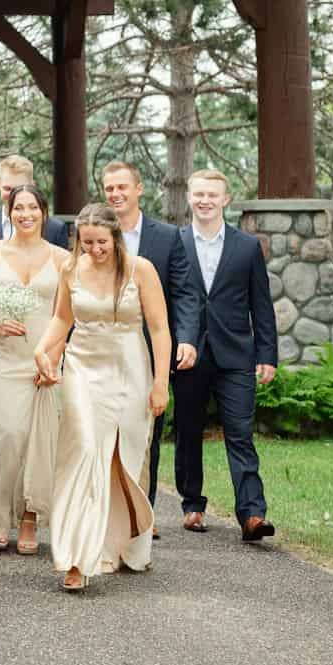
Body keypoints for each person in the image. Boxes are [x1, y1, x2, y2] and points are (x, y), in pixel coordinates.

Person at [33, 204, 171, 591]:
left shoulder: (140, 270)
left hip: (129, 368)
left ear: (115, 237)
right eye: (86, 242)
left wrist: (161, 382)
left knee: (122, 458)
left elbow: (159, 329)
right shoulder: (70, 269)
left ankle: (121, 542)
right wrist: (42, 350)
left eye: (100, 242)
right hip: (81, 369)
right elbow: (62, 319)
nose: (93, 250)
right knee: (85, 451)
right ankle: (79, 557)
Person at [175, 169, 277, 542]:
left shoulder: (246, 246)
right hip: (188, 352)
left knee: (239, 433)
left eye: (212, 195)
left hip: (235, 353)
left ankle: (252, 514)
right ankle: (192, 506)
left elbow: (261, 304)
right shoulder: (176, 242)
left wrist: (267, 355)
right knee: (188, 432)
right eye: (199, 194)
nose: (205, 201)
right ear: (189, 197)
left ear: (225, 199)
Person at [99, 160, 200, 508]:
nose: (116, 194)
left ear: (138, 189)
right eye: (109, 188)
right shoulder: (95, 233)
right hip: (101, 346)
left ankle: (142, 510)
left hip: (148, 348)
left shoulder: (168, 237)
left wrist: (185, 338)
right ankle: (106, 506)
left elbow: (185, 292)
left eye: (122, 187)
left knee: (146, 430)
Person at [0, 185, 65, 554]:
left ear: (44, 212)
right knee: (7, 432)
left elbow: (66, 315)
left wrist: (53, 358)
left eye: (32, 207)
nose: (25, 214)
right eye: (18, 208)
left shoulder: (62, 258)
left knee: (40, 438)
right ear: (8, 212)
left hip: (44, 357)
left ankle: (30, 517)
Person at [0, 156, 70, 248]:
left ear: (32, 186)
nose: (13, 195)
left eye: (19, 189)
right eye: (7, 189)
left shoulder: (54, 229)